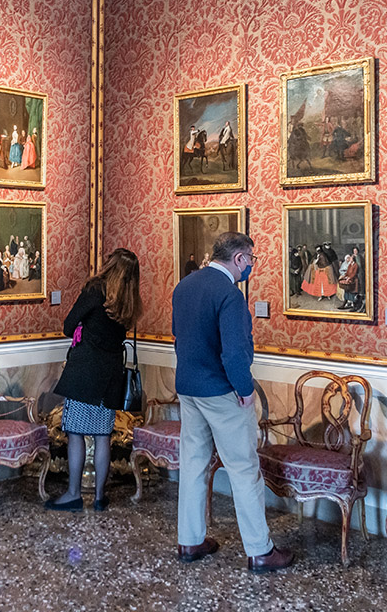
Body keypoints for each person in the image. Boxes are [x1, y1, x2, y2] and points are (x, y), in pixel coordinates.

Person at [171, 232, 292, 572]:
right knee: (244, 469)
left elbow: (179, 336)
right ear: (239, 258)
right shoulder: (230, 295)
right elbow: (234, 352)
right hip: (222, 390)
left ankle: (189, 540)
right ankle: (260, 550)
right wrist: (244, 388)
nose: (251, 266)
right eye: (250, 259)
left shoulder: (184, 286)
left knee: (193, 465)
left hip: (187, 387)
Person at [47, 248, 142, 513]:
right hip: (111, 374)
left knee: (75, 433)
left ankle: (73, 494)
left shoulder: (96, 289)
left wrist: (82, 329)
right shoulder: (129, 299)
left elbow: (68, 325)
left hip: (85, 371)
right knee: (103, 436)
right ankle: (100, 497)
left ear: (110, 265)